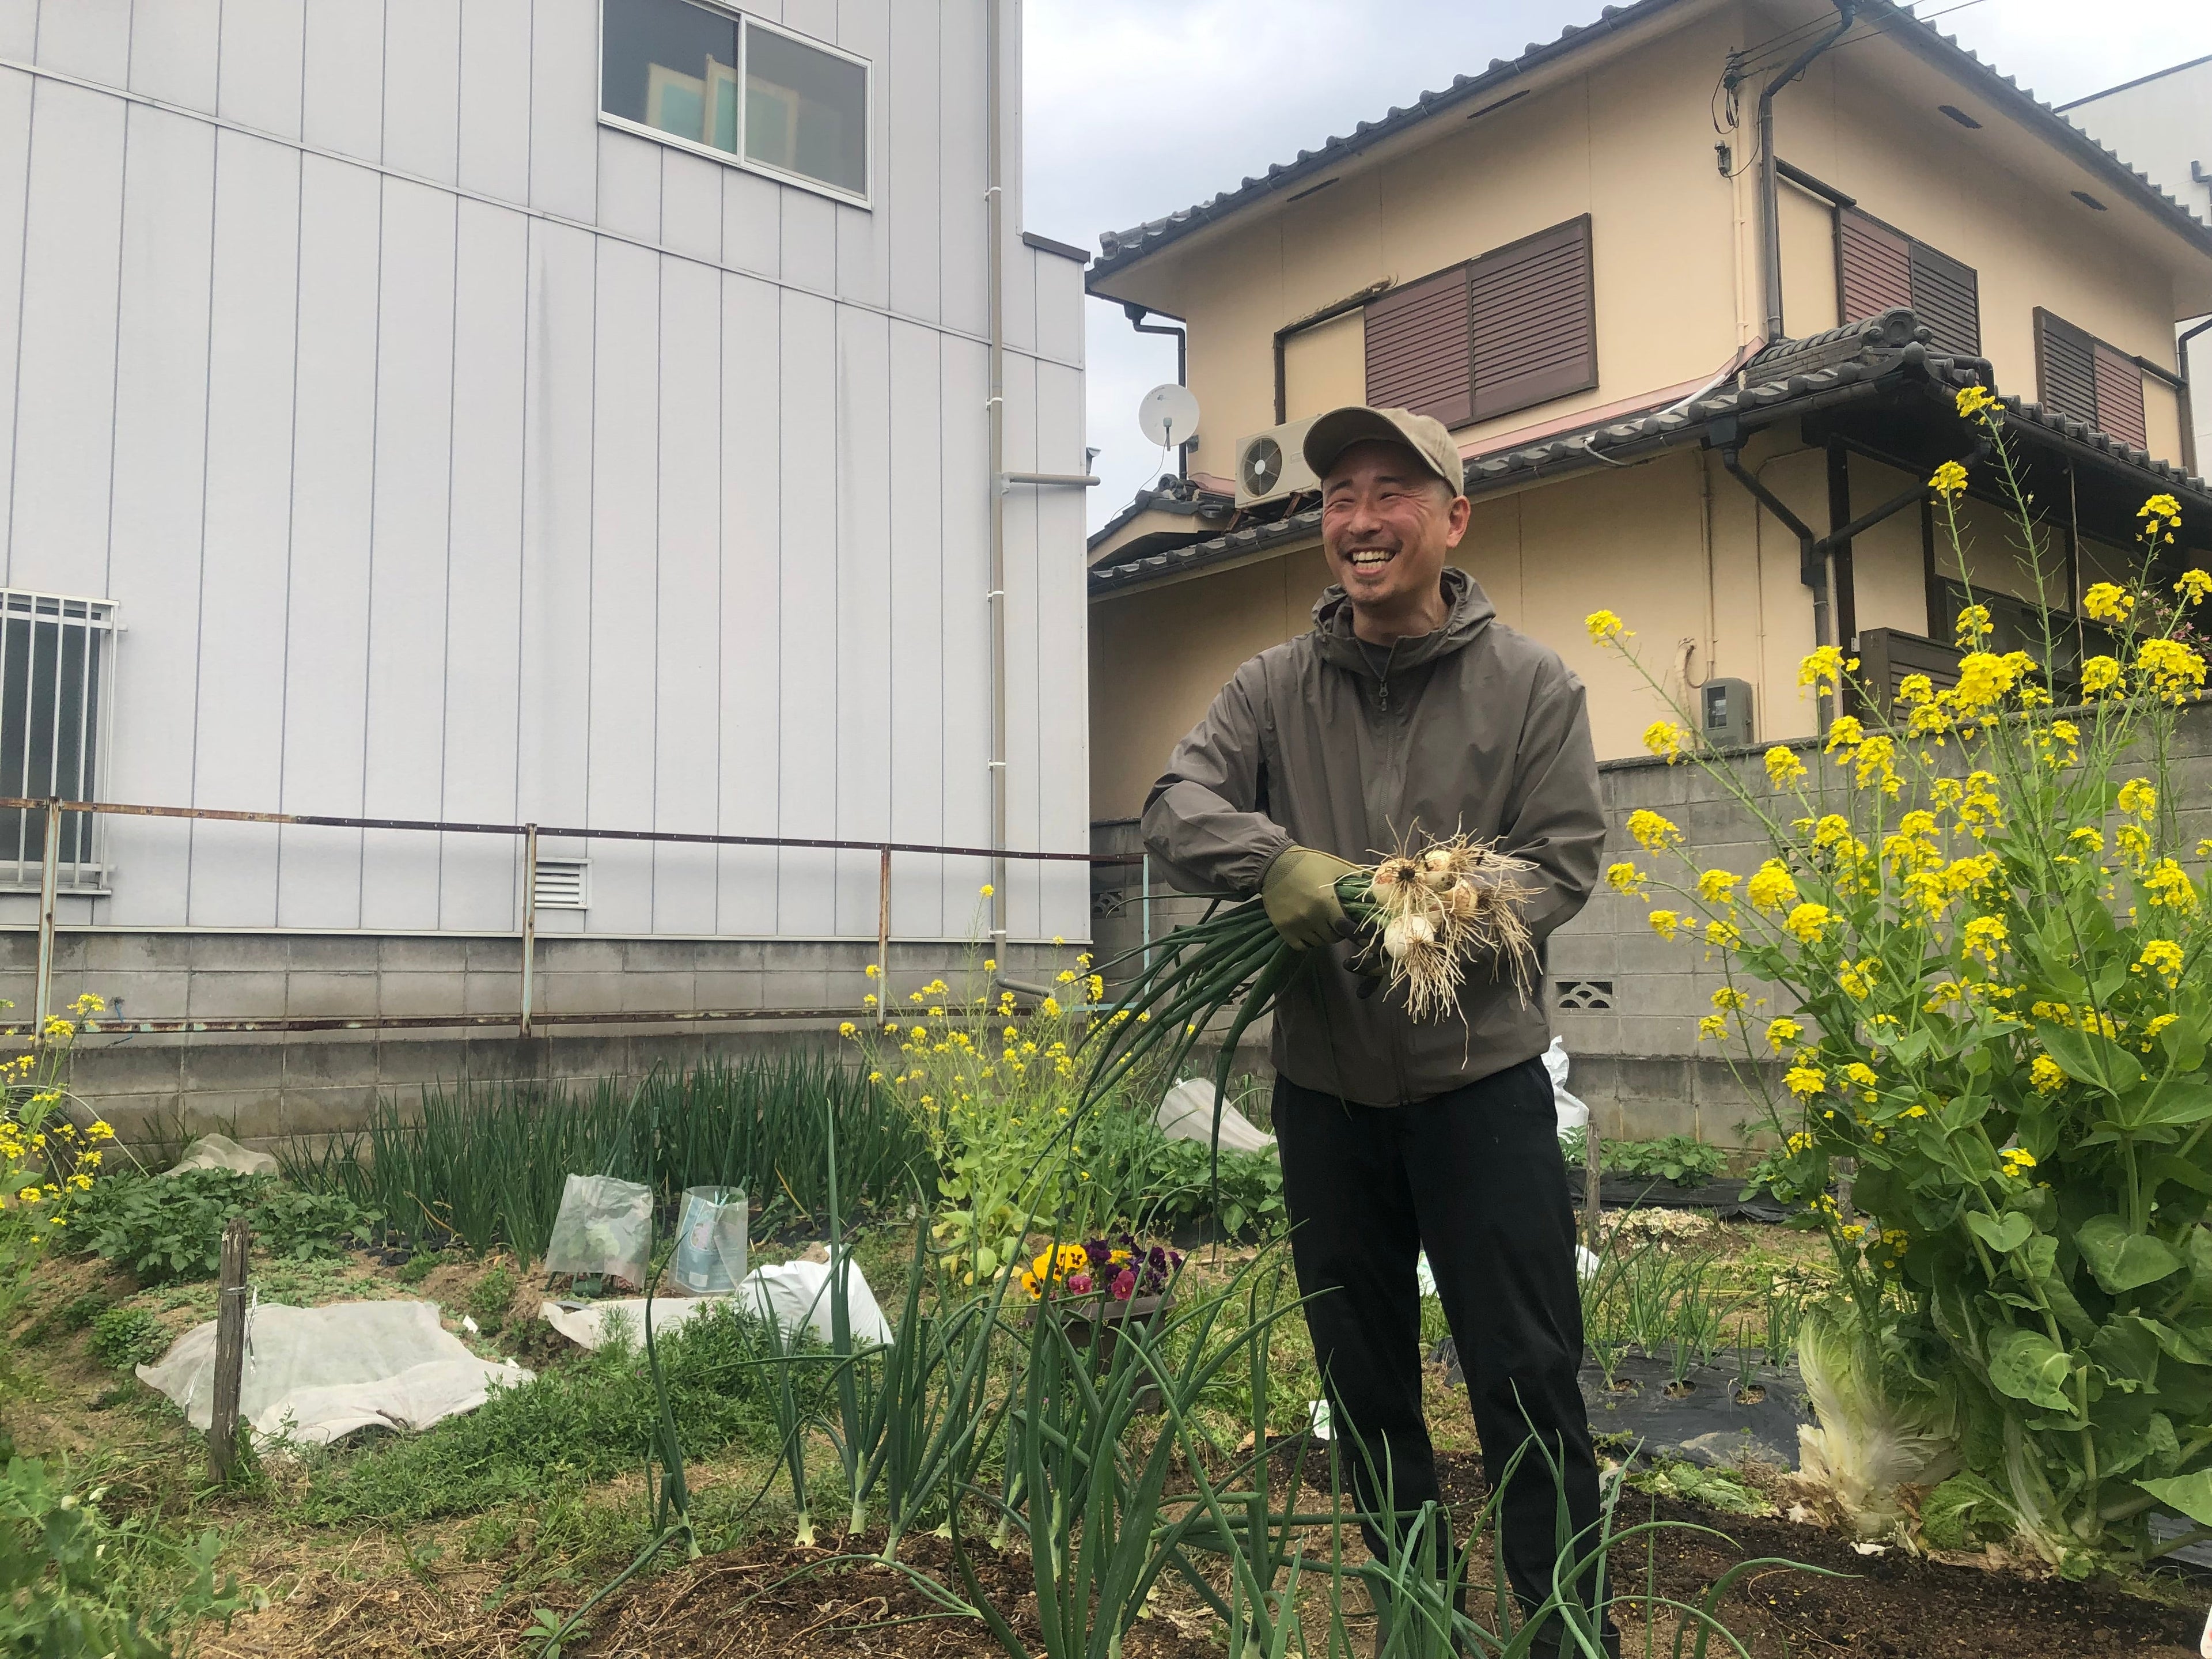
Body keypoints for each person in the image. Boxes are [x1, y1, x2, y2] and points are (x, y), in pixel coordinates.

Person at [1141, 405, 1614, 1656]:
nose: (1359, 518)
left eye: (1390, 490)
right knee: (1363, 1384)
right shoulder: (1274, 687)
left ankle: (1566, 1631)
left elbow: (1563, 860)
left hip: (1483, 1090)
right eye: (1338, 494)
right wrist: (1283, 864)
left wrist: (1430, 904)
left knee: (1527, 1380)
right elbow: (1174, 805)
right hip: (1330, 1096)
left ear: (1453, 519)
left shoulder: (1532, 688)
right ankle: (1421, 1620)